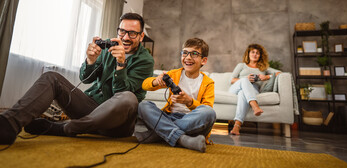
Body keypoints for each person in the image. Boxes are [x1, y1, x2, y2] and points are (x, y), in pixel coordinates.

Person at [0, 13, 154, 145]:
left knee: (129, 97)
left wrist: (121, 64)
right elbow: (85, 79)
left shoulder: (146, 60)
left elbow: (120, 92)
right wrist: (90, 60)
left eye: (132, 33)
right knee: (51, 77)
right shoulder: (109, 46)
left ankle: (65, 127)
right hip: (90, 109)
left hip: (116, 123)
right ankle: (9, 123)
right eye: (122, 31)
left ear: (141, 36)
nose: (125, 37)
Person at [134, 38, 216, 153]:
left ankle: (157, 134)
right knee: (143, 106)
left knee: (208, 112)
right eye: (185, 53)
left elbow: (207, 108)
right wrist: (156, 81)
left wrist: (189, 102)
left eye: (194, 54)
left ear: (204, 60)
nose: (188, 57)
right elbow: (144, 85)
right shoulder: (174, 74)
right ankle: (183, 139)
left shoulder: (208, 83)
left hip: (191, 121)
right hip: (169, 116)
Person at [229, 44, 280, 135]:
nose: (255, 54)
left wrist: (266, 77)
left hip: (253, 90)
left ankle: (236, 126)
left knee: (242, 94)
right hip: (236, 88)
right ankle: (255, 106)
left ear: (260, 56)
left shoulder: (263, 68)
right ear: (248, 54)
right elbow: (232, 80)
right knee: (244, 81)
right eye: (253, 52)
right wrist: (245, 79)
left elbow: (280, 73)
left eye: (257, 53)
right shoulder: (241, 65)